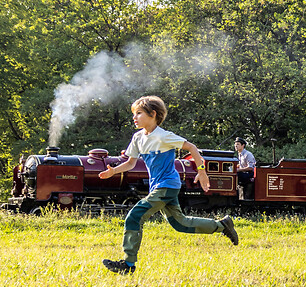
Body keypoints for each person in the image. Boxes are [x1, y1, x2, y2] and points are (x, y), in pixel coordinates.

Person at [96, 95, 239, 275]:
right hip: (159, 187)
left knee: (134, 216)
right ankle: (223, 225)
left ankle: (128, 264)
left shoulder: (164, 136)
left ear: (153, 114)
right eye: (134, 114)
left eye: (138, 113)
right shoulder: (138, 137)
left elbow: (192, 148)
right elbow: (131, 163)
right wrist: (113, 172)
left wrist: (201, 171)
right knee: (181, 224)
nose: (134, 117)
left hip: (168, 185)